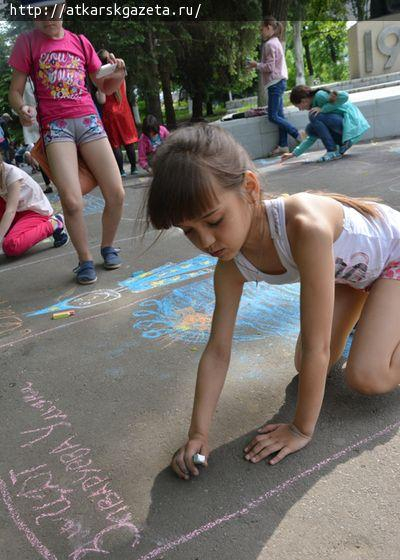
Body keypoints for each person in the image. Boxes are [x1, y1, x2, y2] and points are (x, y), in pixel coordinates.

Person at [145, 124, 400, 479]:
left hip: (392, 258)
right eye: (189, 230)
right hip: (353, 276)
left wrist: (300, 429)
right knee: (307, 366)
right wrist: (198, 433)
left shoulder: (303, 226)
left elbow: (318, 344)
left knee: (367, 376)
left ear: (249, 188)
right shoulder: (230, 266)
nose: (205, 241)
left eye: (214, 221)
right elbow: (218, 350)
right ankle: (380, 315)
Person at [8, 0, 126, 284]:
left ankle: (108, 246)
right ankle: (84, 259)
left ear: (62, 9)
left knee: (117, 194)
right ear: (33, 16)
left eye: (53, 11)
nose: (49, 18)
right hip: (56, 127)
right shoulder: (27, 43)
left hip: (88, 120)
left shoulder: (80, 41)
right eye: (41, 13)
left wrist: (118, 72)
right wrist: (21, 108)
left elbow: (103, 85)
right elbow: (15, 91)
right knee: (72, 203)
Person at [247, 17, 302, 157]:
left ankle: (297, 133)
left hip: (275, 83)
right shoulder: (275, 42)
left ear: (269, 27)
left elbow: (270, 67)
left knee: (272, 116)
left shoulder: (269, 44)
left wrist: (255, 65)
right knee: (279, 115)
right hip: (279, 82)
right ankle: (283, 145)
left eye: (262, 29)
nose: (261, 32)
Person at [0, 154, 68, 258]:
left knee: (11, 245)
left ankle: (55, 223)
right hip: (19, 211)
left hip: (35, 211)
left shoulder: (12, 174)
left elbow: (10, 211)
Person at [282, 85, 370, 163]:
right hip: (343, 126)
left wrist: (323, 109)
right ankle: (340, 146)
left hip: (352, 125)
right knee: (310, 129)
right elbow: (312, 137)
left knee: (313, 115)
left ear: (304, 100)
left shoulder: (320, 95)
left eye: (298, 106)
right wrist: (294, 153)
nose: (300, 109)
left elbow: (345, 96)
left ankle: (331, 151)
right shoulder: (314, 105)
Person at [96, 49, 139, 177]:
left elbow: (102, 100)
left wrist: (97, 92)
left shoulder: (101, 77)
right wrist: (112, 57)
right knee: (128, 141)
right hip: (124, 111)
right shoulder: (120, 71)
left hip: (110, 114)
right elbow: (124, 90)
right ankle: (134, 167)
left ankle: (121, 171)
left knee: (115, 144)